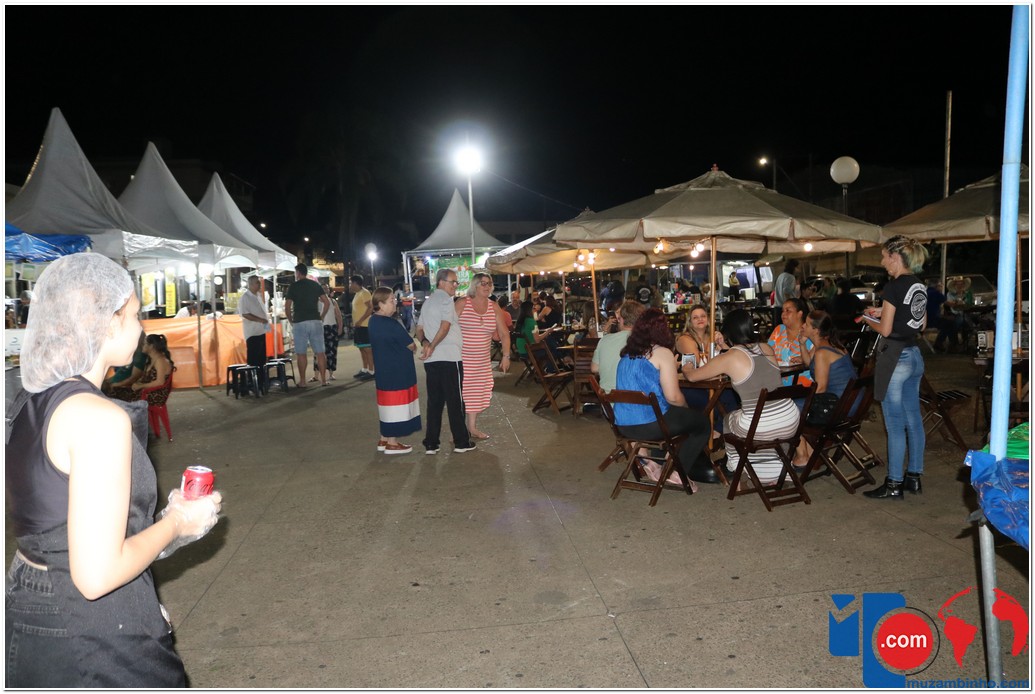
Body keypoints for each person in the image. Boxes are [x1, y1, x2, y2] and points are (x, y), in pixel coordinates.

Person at [5, 253, 222, 687]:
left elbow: (55, 519)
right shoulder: (99, 418)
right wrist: (179, 522)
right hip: (82, 626)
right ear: (105, 322)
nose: (141, 328)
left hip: (30, 600)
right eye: (135, 315)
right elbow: (97, 576)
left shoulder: (31, 398)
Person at [684, 309, 801, 486]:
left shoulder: (730, 357)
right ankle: (776, 469)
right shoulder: (766, 348)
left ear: (727, 332)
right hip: (790, 420)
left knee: (729, 419)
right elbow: (747, 358)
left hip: (761, 425)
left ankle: (736, 468)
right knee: (757, 425)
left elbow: (693, 377)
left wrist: (687, 367)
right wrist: (725, 347)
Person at [612, 308, 712, 487]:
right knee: (702, 424)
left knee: (677, 418)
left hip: (623, 425)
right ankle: (676, 471)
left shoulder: (625, 355)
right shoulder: (661, 353)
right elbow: (673, 397)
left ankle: (651, 462)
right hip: (650, 424)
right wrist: (686, 408)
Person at [862, 235, 929, 500]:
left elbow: (886, 330)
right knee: (914, 419)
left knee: (894, 424)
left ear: (895, 257)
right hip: (914, 356)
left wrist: (868, 319)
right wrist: (882, 312)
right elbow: (921, 324)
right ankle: (914, 477)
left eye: (883, 257)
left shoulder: (893, 286)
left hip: (895, 358)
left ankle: (893, 484)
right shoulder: (919, 284)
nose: (882, 262)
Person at [415, 268, 476, 455]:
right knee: (455, 401)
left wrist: (426, 343)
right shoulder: (446, 301)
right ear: (441, 282)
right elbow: (446, 325)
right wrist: (432, 345)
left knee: (435, 402)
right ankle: (461, 442)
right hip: (449, 357)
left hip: (432, 360)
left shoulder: (428, 302)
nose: (455, 285)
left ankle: (431, 443)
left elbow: (419, 329)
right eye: (453, 282)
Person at [794, 309, 858, 466]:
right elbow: (809, 363)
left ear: (816, 330)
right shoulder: (829, 344)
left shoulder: (822, 352)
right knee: (795, 404)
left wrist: (802, 402)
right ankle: (810, 451)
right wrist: (802, 344)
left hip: (839, 406)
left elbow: (821, 388)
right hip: (853, 400)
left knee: (788, 408)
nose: (802, 326)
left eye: (806, 324)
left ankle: (804, 455)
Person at [456, 273, 511, 439]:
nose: (487, 286)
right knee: (461, 394)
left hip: (482, 361)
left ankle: (472, 427)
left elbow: (504, 333)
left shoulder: (494, 307)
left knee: (477, 393)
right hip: (462, 359)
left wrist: (506, 356)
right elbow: (447, 327)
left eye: (489, 283)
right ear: (474, 285)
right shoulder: (462, 303)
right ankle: (457, 429)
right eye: (483, 283)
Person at [368, 287, 421, 455]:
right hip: (398, 370)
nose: (395, 303)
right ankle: (392, 442)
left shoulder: (373, 321)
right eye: (391, 300)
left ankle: (384, 438)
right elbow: (410, 344)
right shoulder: (391, 324)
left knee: (386, 406)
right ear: (380, 304)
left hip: (383, 370)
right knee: (397, 406)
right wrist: (413, 348)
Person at [285, 263, 330, 387]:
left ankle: (303, 381)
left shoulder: (293, 286)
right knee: (320, 352)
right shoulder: (315, 285)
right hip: (315, 321)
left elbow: (287, 307)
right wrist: (321, 316)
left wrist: (291, 320)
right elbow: (326, 303)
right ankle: (324, 380)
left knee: (301, 353)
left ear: (298, 273)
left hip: (299, 322)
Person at [591, 300, 645, 393]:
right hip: (635, 399)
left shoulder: (604, 340)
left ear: (621, 319)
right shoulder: (644, 341)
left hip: (607, 398)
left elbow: (594, 368)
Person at [767, 298, 814, 387]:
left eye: (788, 310)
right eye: (783, 311)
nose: (783, 314)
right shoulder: (779, 330)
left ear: (799, 314)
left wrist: (804, 359)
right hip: (777, 384)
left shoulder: (809, 333)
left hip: (802, 385)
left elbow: (815, 361)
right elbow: (767, 354)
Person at [238, 275, 271, 392]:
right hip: (252, 333)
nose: (259, 284)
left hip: (261, 331)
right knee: (253, 359)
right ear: (251, 284)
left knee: (261, 359)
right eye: (257, 282)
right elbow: (245, 314)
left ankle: (261, 382)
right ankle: (252, 383)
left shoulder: (258, 295)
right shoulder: (245, 297)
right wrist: (260, 319)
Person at [103, 330, 148, 401]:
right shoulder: (132, 353)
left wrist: (114, 384)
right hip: (115, 384)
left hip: (122, 388)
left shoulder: (140, 356)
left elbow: (134, 378)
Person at [316, 284, 344, 382]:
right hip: (320, 328)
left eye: (327, 288)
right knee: (318, 352)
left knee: (332, 351)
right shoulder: (316, 302)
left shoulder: (333, 301)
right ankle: (316, 375)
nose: (325, 290)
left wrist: (340, 327)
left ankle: (331, 373)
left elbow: (338, 315)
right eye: (323, 288)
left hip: (331, 327)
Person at [350, 274, 375, 379]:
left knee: (367, 349)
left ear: (355, 283)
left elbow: (370, 308)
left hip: (364, 325)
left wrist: (360, 320)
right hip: (358, 326)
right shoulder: (358, 294)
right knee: (361, 348)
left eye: (351, 283)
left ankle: (372, 371)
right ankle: (365, 369)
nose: (350, 285)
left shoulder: (365, 293)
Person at [942, 276, 975, 352]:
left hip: (966, 313)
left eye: (961, 284)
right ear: (954, 285)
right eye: (957, 284)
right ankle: (955, 343)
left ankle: (965, 343)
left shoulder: (967, 294)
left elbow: (971, 304)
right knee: (959, 321)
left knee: (969, 319)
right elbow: (952, 305)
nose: (959, 286)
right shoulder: (950, 294)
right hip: (954, 314)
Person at [773, 259, 800, 326]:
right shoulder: (791, 277)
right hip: (786, 308)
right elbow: (787, 292)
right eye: (797, 267)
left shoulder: (781, 276)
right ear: (793, 268)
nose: (798, 270)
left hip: (777, 307)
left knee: (779, 329)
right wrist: (789, 307)